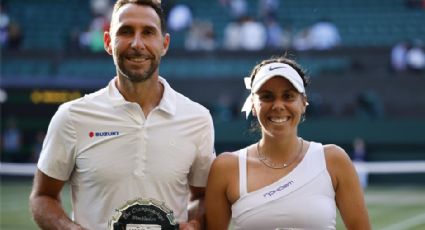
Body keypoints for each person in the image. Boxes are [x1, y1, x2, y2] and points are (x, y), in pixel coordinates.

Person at [29, 1, 215, 229]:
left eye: (148, 32)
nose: (137, 44)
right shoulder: (71, 116)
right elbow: (42, 197)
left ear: (164, 44)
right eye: (126, 31)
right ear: (108, 42)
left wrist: (195, 224)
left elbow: (202, 196)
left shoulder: (197, 119)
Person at [205, 56, 371, 229]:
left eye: (288, 96)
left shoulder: (334, 160)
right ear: (253, 104)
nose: (278, 105)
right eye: (267, 97)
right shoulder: (226, 168)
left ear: (304, 102)